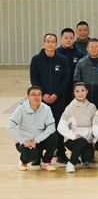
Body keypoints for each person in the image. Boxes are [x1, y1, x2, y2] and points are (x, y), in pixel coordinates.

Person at [30, 32, 69, 163]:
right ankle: (37, 155)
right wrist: (43, 94)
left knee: (58, 126)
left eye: (53, 42)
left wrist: (56, 94)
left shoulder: (62, 59)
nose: (50, 44)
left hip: (58, 100)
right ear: (43, 43)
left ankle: (61, 153)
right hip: (41, 100)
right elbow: (34, 79)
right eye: (48, 41)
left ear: (56, 44)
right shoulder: (36, 60)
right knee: (40, 127)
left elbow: (65, 79)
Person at [8, 86, 59, 171]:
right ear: (28, 97)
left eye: (39, 94)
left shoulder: (46, 108)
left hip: (38, 141)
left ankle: (46, 162)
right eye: (33, 94)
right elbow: (10, 126)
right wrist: (23, 141)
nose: (36, 97)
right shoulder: (21, 109)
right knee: (33, 156)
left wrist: (36, 140)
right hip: (25, 142)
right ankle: (23, 160)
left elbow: (51, 127)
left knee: (54, 137)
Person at [58, 83, 97, 172]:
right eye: (77, 91)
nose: (80, 93)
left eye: (83, 90)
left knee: (88, 156)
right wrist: (73, 136)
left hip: (88, 140)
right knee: (81, 142)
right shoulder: (70, 108)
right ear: (74, 93)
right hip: (72, 140)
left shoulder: (92, 107)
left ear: (87, 91)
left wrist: (94, 140)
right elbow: (61, 126)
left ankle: (80, 155)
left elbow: (96, 125)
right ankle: (71, 163)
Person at [73, 37, 98, 108]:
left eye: (96, 46)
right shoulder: (81, 62)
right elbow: (76, 79)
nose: (94, 49)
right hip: (84, 98)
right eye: (91, 47)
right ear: (87, 49)